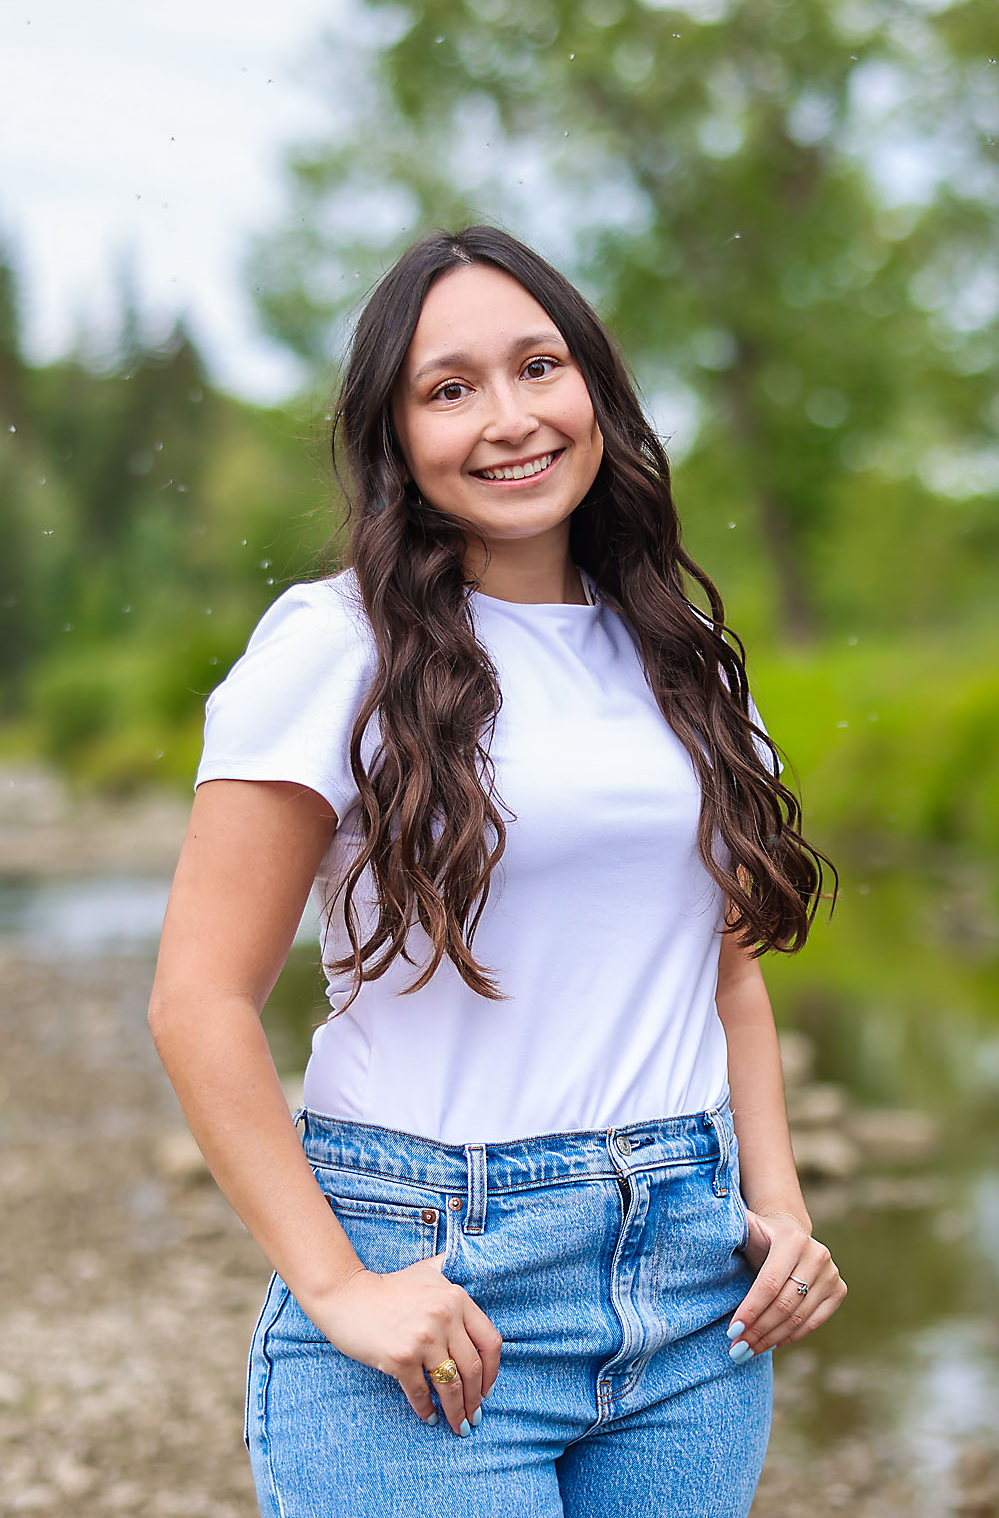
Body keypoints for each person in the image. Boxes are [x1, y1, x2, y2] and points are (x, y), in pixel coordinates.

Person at [149, 223, 846, 1518]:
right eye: (450, 388)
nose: (511, 418)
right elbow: (198, 1001)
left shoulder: (683, 654)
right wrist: (340, 1286)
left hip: (687, 1294)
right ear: (394, 436)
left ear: (596, 387)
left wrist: (781, 1205)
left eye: (540, 366)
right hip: (438, 1270)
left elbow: (727, 980)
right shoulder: (332, 645)